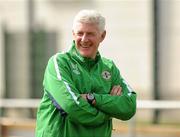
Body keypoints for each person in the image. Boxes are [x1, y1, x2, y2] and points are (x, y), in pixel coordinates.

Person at [35, 9, 137, 137]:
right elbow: (71, 106)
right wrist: (108, 111)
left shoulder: (109, 67)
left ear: (102, 36)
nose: (84, 39)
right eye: (80, 33)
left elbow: (129, 106)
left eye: (90, 34)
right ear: (73, 34)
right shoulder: (59, 63)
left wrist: (92, 98)